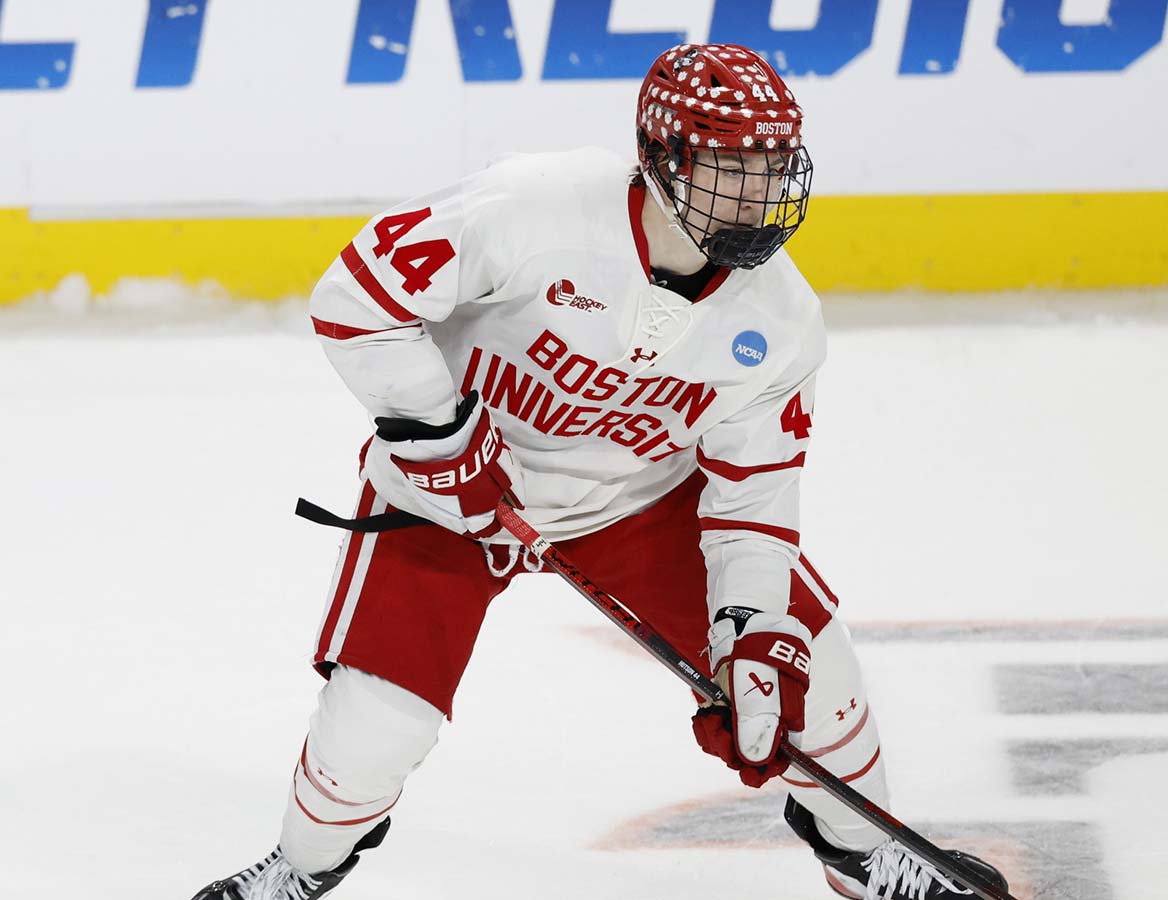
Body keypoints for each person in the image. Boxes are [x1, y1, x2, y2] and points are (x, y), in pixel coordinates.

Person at [190, 43, 1008, 900]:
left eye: (772, 167)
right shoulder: (533, 209)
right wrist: (439, 439)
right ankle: (297, 870)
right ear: (659, 160)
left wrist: (752, 630)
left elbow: (754, 495)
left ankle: (866, 854)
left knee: (814, 674)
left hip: (637, 498)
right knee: (374, 728)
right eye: (730, 168)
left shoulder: (782, 320)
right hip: (445, 499)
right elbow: (356, 298)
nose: (758, 195)